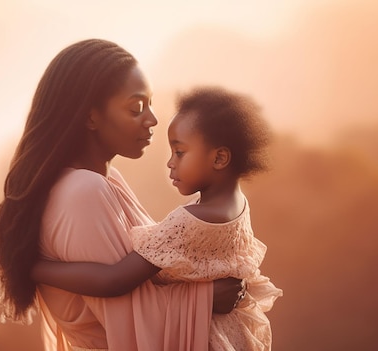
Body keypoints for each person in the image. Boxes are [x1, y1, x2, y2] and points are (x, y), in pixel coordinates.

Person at [0, 39, 245, 351]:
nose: (152, 119)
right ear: (90, 116)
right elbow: (126, 317)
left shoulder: (107, 179)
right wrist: (205, 299)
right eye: (136, 108)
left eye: (150, 104)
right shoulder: (83, 191)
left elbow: (147, 279)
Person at [32, 86, 283, 350]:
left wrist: (33, 268)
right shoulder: (238, 205)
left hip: (208, 339)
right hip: (237, 336)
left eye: (180, 152)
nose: (170, 163)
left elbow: (114, 280)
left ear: (220, 158)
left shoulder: (189, 221)